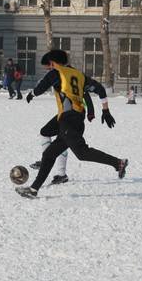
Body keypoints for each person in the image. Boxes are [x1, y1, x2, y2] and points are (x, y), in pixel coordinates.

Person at [17, 49, 127, 199]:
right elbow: (100, 89)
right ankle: (34, 189)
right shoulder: (79, 75)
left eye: (49, 65)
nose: (49, 68)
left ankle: (118, 163)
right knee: (49, 154)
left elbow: (41, 87)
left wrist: (31, 94)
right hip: (73, 119)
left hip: (69, 120)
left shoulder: (56, 72)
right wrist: (105, 111)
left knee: (81, 153)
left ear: (53, 62)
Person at [30, 90, 96, 185]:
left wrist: (91, 112)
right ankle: (58, 172)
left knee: (59, 139)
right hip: (65, 114)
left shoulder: (71, 79)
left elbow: (86, 94)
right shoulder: (60, 79)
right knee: (50, 135)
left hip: (72, 116)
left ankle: (50, 165)